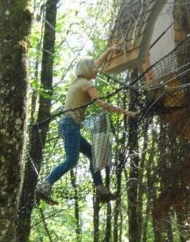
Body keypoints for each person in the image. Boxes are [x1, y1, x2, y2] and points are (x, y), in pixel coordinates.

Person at [35, 45, 137, 205]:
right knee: (71, 160)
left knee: (92, 154)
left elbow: (95, 63)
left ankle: (102, 191)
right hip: (70, 125)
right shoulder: (87, 85)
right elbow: (103, 104)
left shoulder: (79, 81)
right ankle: (44, 185)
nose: (97, 69)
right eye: (94, 68)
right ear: (88, 69)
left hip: (68, 125)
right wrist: (127, 112)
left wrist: (109, 51)